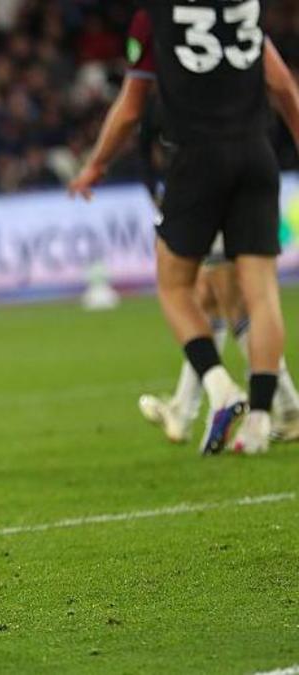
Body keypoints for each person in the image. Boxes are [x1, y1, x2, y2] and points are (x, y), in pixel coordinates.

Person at [69, 1, 299, 455]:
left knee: (177, 286)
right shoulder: (244, 5)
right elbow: (282, 85)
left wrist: (95, 164)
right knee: (260, 292)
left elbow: (132, 107)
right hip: (256, 153)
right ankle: (257, 419)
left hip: (197, 158)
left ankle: (219, 388)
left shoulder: (153, 14)